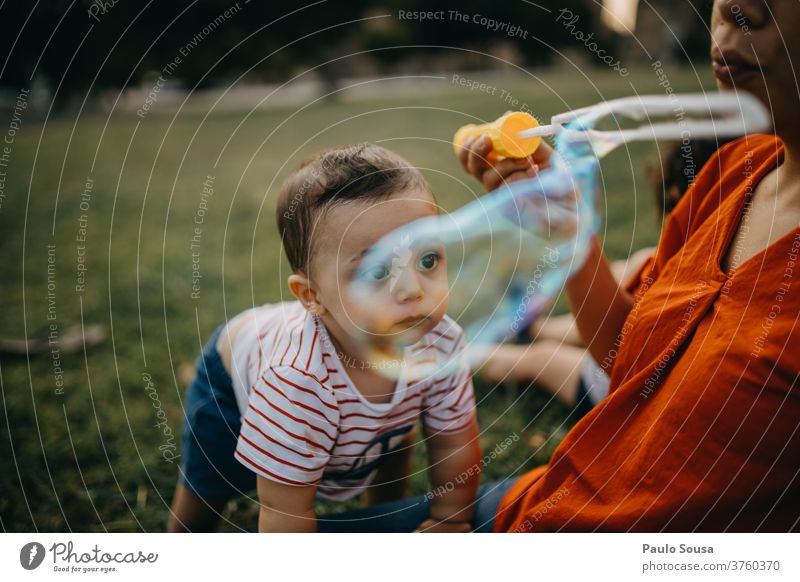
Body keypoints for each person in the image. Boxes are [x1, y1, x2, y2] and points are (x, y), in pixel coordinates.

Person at [321, 0, 799, 532]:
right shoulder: (735, 172)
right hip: (553, 498)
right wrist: (567, 228)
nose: (736, 8)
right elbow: (628, 361)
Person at [168, 144, 481, 533]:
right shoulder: (297, 381)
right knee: (209, 484)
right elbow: (285, 514)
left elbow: (453, 444)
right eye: (378, 270)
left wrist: (449, 520)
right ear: (311, 296)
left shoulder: (441, 342)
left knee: (392, 438)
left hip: (331, 389)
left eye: (428, 259)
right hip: (231, 381)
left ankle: (384, 517)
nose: (413, 290)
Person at [479, 139, 730, 418]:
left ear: (675, 195)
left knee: (539, 359)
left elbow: (629, 348)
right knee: (633, 269)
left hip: (624, 387)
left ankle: (471, 355)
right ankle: (533, 329)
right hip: (638, 351)